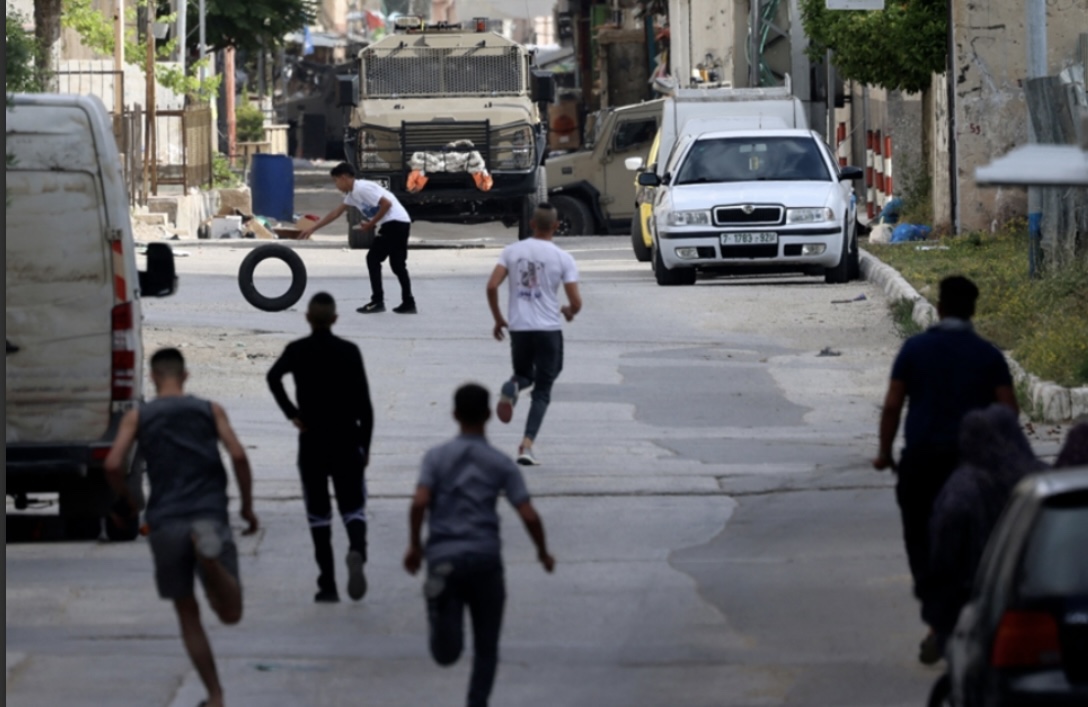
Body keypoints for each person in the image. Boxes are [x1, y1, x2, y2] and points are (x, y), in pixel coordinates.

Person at [872, 275, 1019, 664]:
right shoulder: (988, 356)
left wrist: (885, 453)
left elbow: (892, 404)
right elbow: (1008, 410)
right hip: (973, 468)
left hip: (922, 464)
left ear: (939, 308)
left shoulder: (916, 349)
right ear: (973, 310)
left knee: (921, 543)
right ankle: (970, 620)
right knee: (976, 543)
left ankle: (939, 624)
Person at [104, 348, 259, 707]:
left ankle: (215, 695)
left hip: (165, 522)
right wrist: (248, 507)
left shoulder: (139, 416)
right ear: (185, 376)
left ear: (154, 378)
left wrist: (129, 502)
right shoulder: (209, 410)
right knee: (230, 613)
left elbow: (113, 464)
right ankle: (210, 561)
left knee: (188, 615)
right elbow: (237, 455)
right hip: (209, 514)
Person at [403, 383, 555, 707]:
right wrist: (542, 552)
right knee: (487, 646)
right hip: (485, 560)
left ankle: (439, 610)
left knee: (446, 653)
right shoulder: (500, 463)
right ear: (488, 415)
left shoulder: (436, 457)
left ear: (455, 415)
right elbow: (527, 513)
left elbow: (419, 503)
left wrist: (415, 547)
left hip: (443, 554)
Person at [266, 292, 375, 603]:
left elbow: (273, 377)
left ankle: (327, 584)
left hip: (312, 438)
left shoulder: (297, 350)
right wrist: (364, 445)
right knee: (353, 507)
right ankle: (356, 550)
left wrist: (292, 414)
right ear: (335, 319)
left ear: (307, 319)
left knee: (319, 513)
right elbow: (365, 405)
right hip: (346, 437)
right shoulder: (349, 351)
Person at [923, 404, 1046, 654]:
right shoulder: (1042, 482)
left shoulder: (961, 490)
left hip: (974, 604)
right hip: (1038, 596)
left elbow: (943, 556)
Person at [485, 203, 582, 466]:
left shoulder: (512, 252)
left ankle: (514, 387)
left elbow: (492, 286)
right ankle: (526, 446)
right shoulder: (563, 258)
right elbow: (576, 302)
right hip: (549, 329)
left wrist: (498, 319)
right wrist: (569, 311)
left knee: (524, 375)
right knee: (543, 389)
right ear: (556, 226)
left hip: (519, 329)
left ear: (531, 225)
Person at [297, 161, 416, 314]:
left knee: (373, 259)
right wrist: (313, 228)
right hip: (401, 222)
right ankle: (408, 302)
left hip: (394, 223)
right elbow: (335, 213)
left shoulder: (362, 188)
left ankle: (377, 301)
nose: (336, 185)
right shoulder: (352, 194)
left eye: (336, 181)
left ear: (344, 177)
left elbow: (386, 204)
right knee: (398, 265)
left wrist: (371, 224)